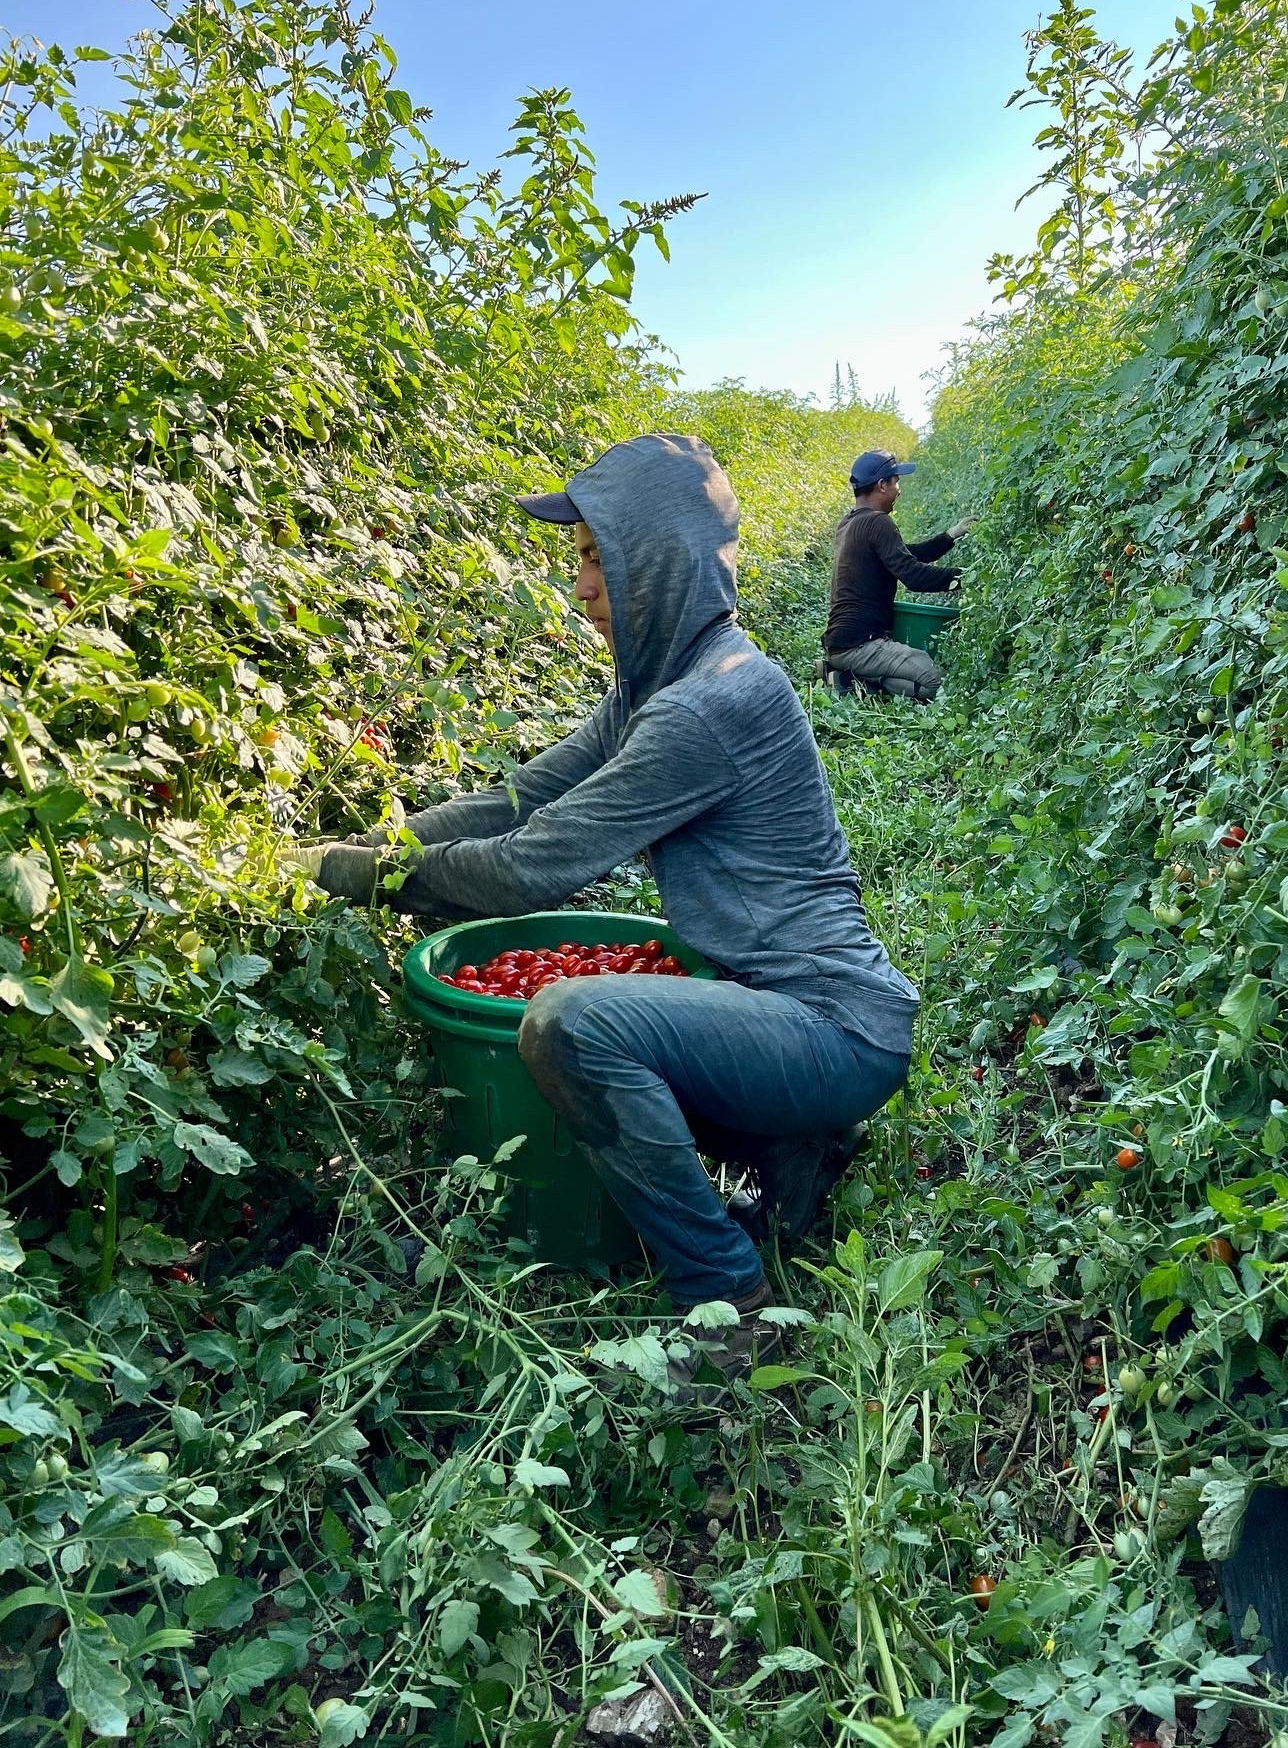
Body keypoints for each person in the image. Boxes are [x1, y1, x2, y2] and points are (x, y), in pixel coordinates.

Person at [293, 433, 917, 1360]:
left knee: (573, 1028)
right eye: (579, 559)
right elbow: (515, 798)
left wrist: (355, 878)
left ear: (654, 562)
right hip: (786, 1012)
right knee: (608, 1036)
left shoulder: (708, 705)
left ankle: (726, 1304)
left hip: (833, 1025)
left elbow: (528, 863)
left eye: (596, 558)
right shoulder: (657, 688)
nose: (581, 586)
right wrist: (362, 847)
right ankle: (793, 1150)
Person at [822, 448, 972, 701]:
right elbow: (913, 576)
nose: (899, 489)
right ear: (882, 485)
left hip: (842, 641)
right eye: (896, 481)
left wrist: (950, 536)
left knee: (918, 670)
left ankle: (848, 673)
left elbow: (905, 554)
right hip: (860, 644)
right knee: (935, 681)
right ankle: (850, 680)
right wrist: (967, 578)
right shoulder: (878, 522)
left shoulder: (850, 522)